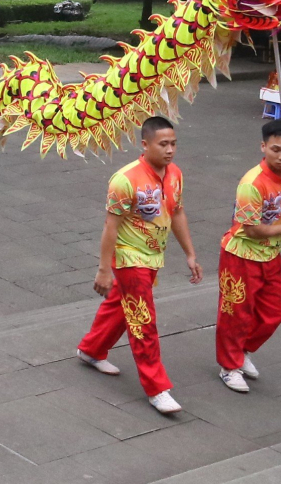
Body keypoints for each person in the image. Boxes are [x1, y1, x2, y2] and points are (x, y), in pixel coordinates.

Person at [75, 117, 200, 416]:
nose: (170, 150)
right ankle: (157, 388)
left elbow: (178, 213)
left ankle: (91, 349)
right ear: (144, 144)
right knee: (143, 320)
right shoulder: (125, 179)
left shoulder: (175, 175)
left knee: (122, 305)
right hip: (130, 258)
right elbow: (110, 227)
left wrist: (190, 254)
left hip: (153, 256)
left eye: (173, 144)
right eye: (163, 144)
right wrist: (104, 269)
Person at [215, 119, 281, 393]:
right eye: (276, 149)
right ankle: (228, 366)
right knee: (236, 313)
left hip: (272, 256)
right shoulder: (251, 184)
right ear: (263, 146)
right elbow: (252, 230)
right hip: (241, 256)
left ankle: (243, 350)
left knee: (276, 311)